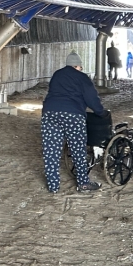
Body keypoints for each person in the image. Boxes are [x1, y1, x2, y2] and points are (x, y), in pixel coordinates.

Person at [41, 51, 107, 194]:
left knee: (51, 151)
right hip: (72, 115)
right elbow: (91, 98)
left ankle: (53, 187)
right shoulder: (82, 78)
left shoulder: (57, 74)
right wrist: (101, 112)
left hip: (50, 113)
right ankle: (83, 183)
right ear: (77, 66)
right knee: (78, 149)